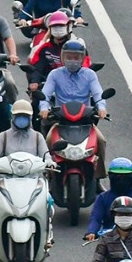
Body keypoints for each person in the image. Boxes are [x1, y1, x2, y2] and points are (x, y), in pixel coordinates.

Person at [44, 37, 108, 170]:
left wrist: (101, 108)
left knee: (101, 141)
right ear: (62, 57)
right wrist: (44, 108)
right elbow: (45, 95)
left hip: (84, 120)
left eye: (76, 57)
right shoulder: (54, 75)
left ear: (82, 58)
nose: (72, 60)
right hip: (61, 120)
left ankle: (98, 176)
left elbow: (97, 94)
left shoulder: (90, 75)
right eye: (69, 57)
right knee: (47, 142)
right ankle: (47, 174)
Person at [0, 100, 51, 167]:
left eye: (25, 116)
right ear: (13, 117)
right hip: (8, 176)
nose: (21, 118)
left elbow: (46, 156)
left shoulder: (37, 136)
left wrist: (50, 162)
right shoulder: (4, 136)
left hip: (33, 176)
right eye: (18, 116)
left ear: (30, 118)